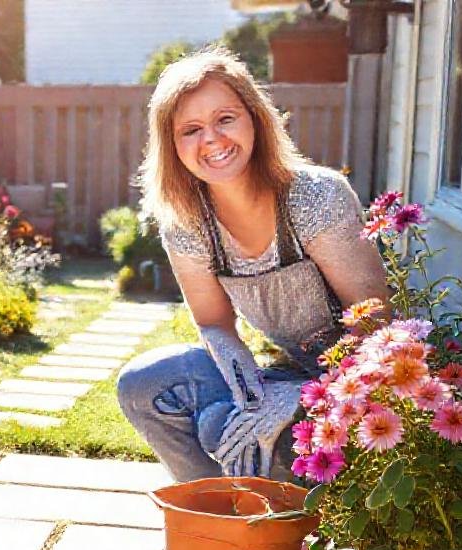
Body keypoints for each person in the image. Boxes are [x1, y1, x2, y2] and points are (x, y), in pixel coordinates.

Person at [118, 49, 387, 499]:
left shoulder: (314, 198)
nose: (212, 140)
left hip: (361, 388)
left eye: (225, 118)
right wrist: (251, 394)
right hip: (286, 372)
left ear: (255, 120)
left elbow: (379, 328)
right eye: (191, 129)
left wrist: (300, 397)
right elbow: (213, 324)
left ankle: (287, 536)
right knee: (145, 385)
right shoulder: (187, 221)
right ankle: (211, 521)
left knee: (240, 432)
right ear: (173, 145)